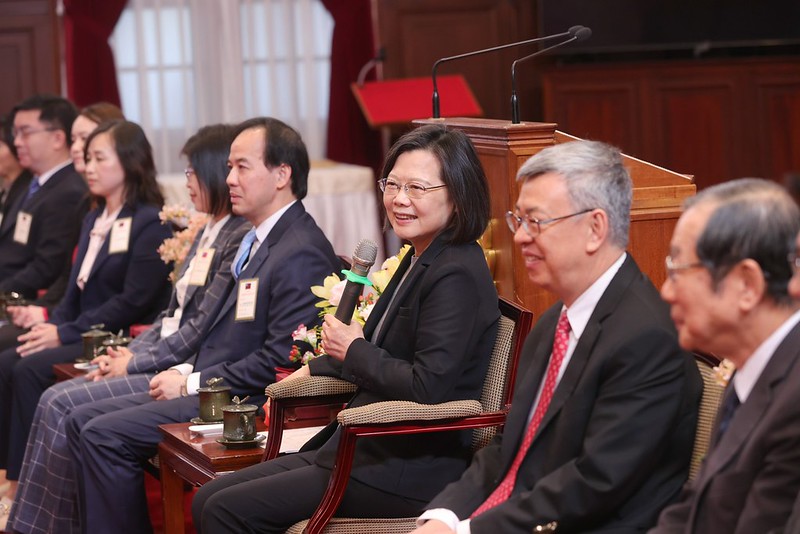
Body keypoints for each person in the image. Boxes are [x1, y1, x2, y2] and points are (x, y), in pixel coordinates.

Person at [192, 124, 500, 533]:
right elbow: (378, 346)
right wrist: (315, 366)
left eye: (417, 188)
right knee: (207, 498)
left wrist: (353, 349)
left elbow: (428, 386)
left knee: (224, 510)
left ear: (458, 196)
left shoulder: (456, 272)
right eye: (393, 185)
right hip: (364, 449)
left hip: (405, 468)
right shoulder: (421, 255)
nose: (399, 199)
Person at [63, 117, 340, 533]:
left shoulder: (299, 250)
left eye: (242, 167)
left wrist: (190, 383)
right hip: (209, 382)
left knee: (102, 434)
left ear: (282, 175)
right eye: (228, 167)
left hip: (238, 402)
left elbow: (276, 361)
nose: (229, 179)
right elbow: (215, 329)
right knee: (80, 419)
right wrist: (183, 369)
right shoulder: (259, 237)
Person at [412, 140, 701, 534]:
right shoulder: (554, 322)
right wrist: (444, 516)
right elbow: (511, 450)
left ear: (595, 228)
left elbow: (594, 482)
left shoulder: (645, 338)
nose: (520, 237)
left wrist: (467, 532)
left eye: (537, 221)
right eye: (519, 220)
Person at [5, 124, 249, 534]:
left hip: (186, 370)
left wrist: (134, 361)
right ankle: (39, 523)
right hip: (159, 354)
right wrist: (132, 352)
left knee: (62, 404)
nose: (188, 182)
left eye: (193, 172)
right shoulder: (209, 229)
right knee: (54, 399)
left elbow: (194, 326)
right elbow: (171, 315)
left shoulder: (233, 235)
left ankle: (43, 525)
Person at [0, 120, 173, 517]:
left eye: (99, 158)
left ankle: (22, 488)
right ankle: (14, 480)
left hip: (113, 336)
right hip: (80, 326)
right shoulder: (94, 217)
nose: (89, 168)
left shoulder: (149, 221)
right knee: (12, 359)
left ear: (129, 162)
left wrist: (64, 332)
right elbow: (74, 290)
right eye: (88, 159)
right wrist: (54, 324)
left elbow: (132, 301)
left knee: (26, 368)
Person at [650, 178, 800, 533]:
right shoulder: (752, 369)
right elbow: (697, 509)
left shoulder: (794, 400)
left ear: (747, 284)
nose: (666, 291)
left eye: (678, 270)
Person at [0, 102, 125, 352]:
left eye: (85, 140)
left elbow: (53, 269)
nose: (77, 148)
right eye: (75, 139)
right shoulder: (89, 206)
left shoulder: (74, 194)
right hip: (64, 312)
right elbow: (70, 274)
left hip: (94, 326)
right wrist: (46, 311)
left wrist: (49, 314)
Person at [0, 94, 89, 299]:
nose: (17, 142)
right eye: (15, 134)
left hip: (24, 301)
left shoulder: (68, 192)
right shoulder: (33, 182)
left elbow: (47, 268)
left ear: (57, 138)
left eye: (25, 133)